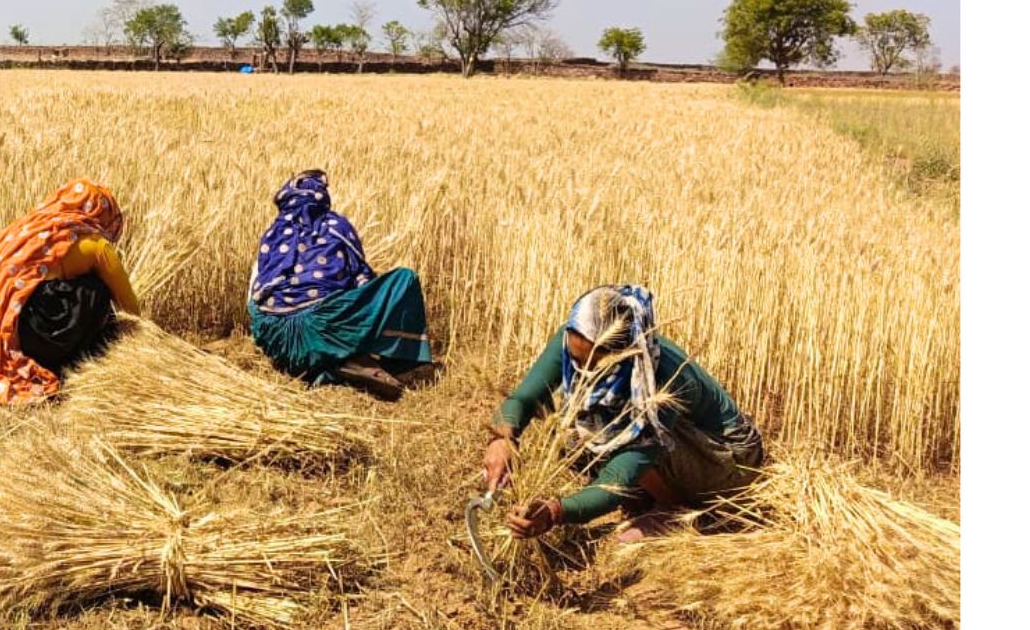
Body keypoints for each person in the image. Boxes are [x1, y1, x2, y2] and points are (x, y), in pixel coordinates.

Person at [481, 284, 766, 543]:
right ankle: (650, 496)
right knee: (570, 436)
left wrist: (556, 511)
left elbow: (620, 473)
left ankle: (675, 510)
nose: (584, 371)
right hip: (675, 451)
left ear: (623, 353)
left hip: (725, 459)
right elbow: (523, 398)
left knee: (621, 434)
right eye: (577, 359)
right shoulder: (577, 335)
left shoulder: (661, 379)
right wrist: (502, 439)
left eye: (595, 362)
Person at [0, 179, 141, 405]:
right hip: (24, 333)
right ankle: (62, 360)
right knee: (96, 293)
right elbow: (129, 305)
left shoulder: (30, 227)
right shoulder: (97, 245)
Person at [246, 170, 432, 400]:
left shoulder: (272, 234)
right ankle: (392, 363)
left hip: (277, 343)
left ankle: (324, 364)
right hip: (324, 330)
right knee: (405, 278)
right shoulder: (336, 226)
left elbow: (255, 297)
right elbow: (362, 281)